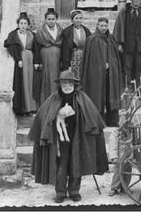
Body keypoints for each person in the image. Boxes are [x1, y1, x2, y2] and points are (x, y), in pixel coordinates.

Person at [29, 70, 108, 203]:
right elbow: (44, 117)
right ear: (60, 84)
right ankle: (60, 192)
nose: (67, 86)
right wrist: (57, 116)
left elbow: (93, 116)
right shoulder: (54, 99)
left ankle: (74, 191)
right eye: (64, 83)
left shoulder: (81, 97)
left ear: (74, 84)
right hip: (60, 141)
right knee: (62, 165)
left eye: (70, 83)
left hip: (78, 137)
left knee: (75, 164)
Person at [82, 17, 123, 127]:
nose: (104, 28)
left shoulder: (111, 39)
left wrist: (111, 64)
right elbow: (89, 60)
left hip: (110, 74)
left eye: (105, 26)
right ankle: (98, 122)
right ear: (97, 26)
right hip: (97, 75)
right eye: (101, 26)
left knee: (111, 96)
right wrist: (100, 66)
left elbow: (116, 57)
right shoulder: (92, 39)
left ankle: (113, 122)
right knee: (97, 97)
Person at [4, 12, 39, 115]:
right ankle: (23, 109)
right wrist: (18, 59)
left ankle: (31, 108)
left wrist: (36, 62)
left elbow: (36, 48)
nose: (23, 25)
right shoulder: (13, 35)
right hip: (21, 61)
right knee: (22, 83)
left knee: (30, 83)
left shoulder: (32, 34)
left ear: (28, 25)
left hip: (30, 59)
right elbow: (10, 46)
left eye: (25, 23)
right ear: (18, 24)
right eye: (21, 23)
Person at [35, 8, 63, 105]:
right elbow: (36, 47)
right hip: (45, 56)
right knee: (46, 78)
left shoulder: (60, 30)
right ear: (45, 20)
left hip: (57, 56)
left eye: (53, 19)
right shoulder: (40, 31)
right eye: (49, 19)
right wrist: (37, 61)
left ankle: (57, 100)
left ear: (56, 19)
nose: (51, 21)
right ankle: (46, 101)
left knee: (56, 76)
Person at [60, 9, 91, 80]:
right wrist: (66, 63)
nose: (78, 20)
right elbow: (65, 49)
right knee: (73, 75)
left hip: (83, 56)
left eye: (80, 18)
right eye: (76, 18)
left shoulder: (86, 31)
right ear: (72, 20)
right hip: (73, 56)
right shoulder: (67, 32)